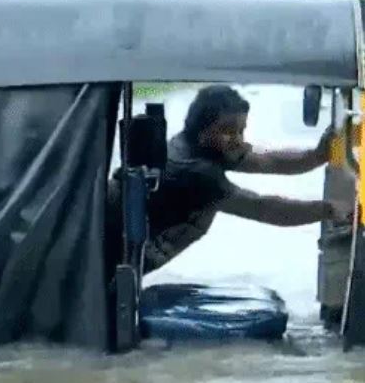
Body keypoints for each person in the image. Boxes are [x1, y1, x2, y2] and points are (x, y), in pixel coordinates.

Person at [107, 84, 353, 275]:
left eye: (241, 130)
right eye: (227, 130)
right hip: (105, 251)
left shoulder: (197, 145)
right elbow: (264, 209)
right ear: (203, 130)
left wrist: (317, 156)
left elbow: (268, 160)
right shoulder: (196, 171)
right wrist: (330, 210)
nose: (237, 139)